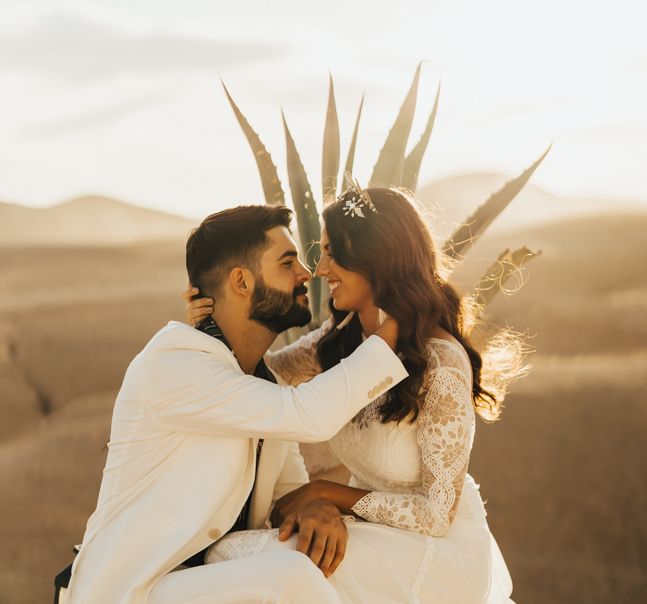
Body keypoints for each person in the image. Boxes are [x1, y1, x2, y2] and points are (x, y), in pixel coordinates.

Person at [187, 184, 522, 603]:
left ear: (376, 259)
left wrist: (326, 493)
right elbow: (259, 380)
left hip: (428, 552)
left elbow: (436, 514)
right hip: (367, 531)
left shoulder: (440, 364)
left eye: (333, 253)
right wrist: (210, 324)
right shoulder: (339, 341)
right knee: (232, 559)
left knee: (243, 561)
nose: (321, 268)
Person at [62, 205, 409, 604]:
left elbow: (286, 495)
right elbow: (309, 416)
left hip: (204, 582)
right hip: (135, 589)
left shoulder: (264, 383)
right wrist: (396, 327)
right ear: (242, 281)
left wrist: (319, 508)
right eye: (287, 262)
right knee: (289, 578)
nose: (306, 274)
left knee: (330, 559)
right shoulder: (175, 363)